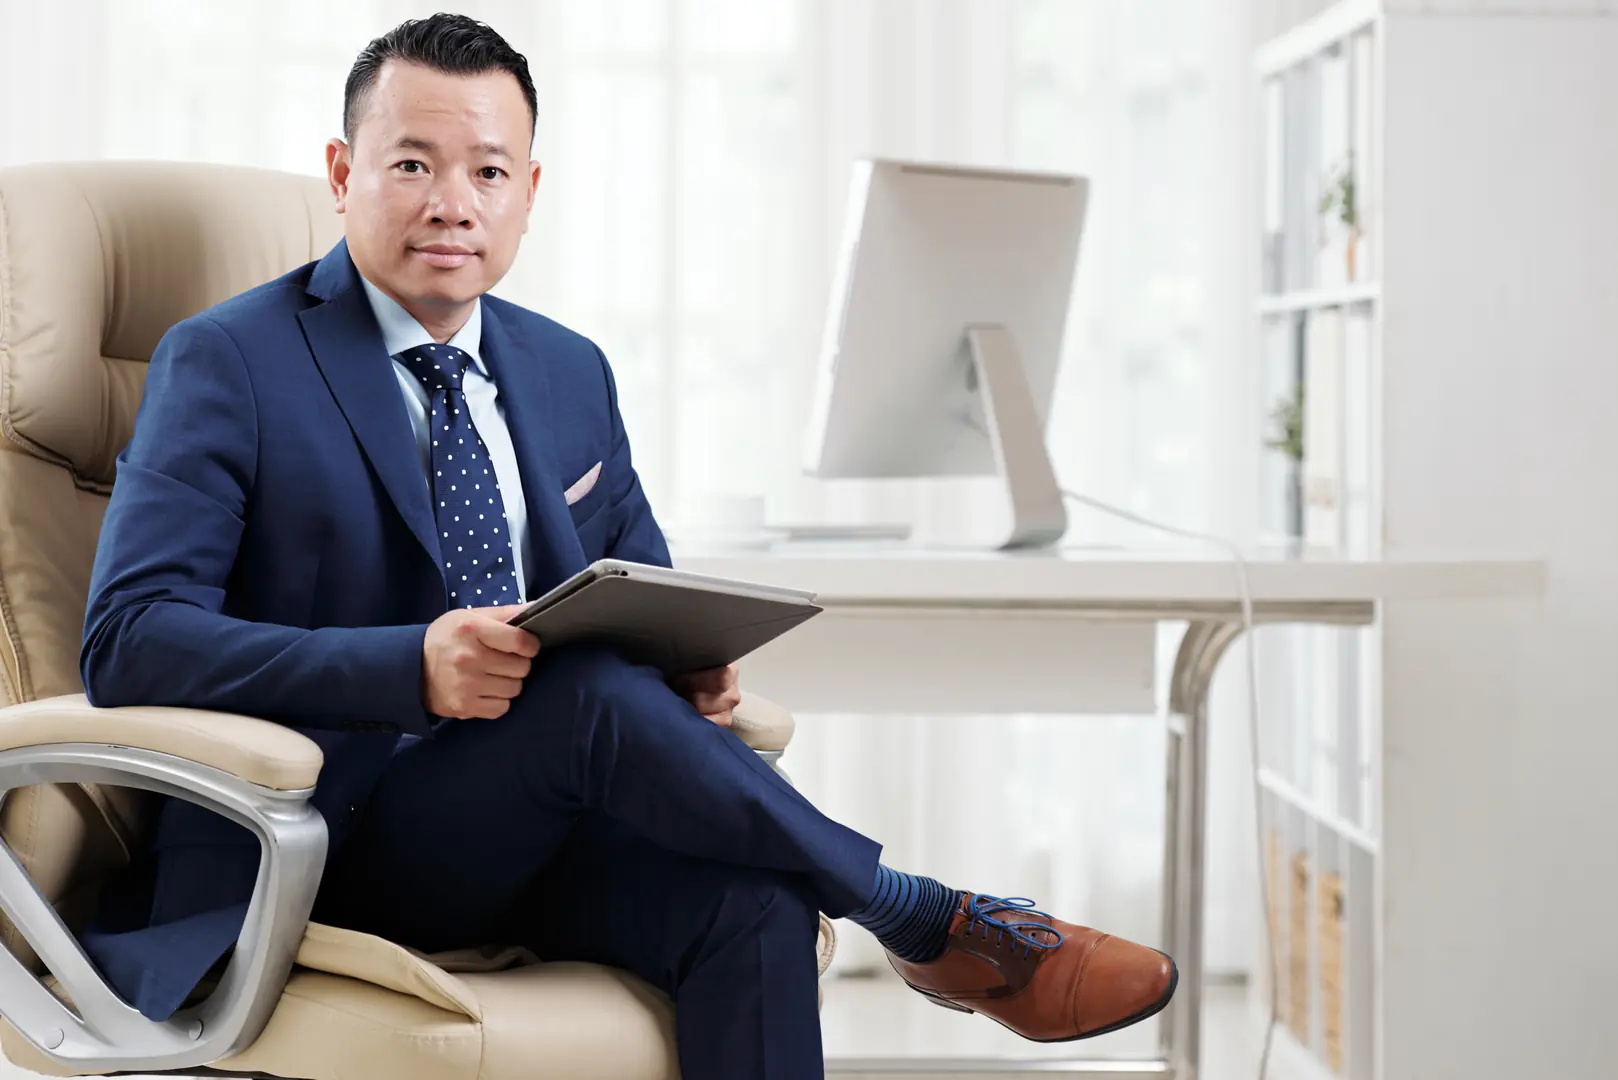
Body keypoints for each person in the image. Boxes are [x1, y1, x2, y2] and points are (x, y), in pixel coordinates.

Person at [78, 14, 1175, 1078]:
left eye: (489, 173)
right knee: (587, 694)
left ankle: (916, 920)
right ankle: (925, 916)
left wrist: (685, 666)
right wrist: (407, 665)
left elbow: (636, 586)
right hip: (325, 838)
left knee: (754, 901)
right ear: (340, 170)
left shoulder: (566, 370)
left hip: (538, 831)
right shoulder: (227, 360)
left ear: (530, 193)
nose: (452, 204)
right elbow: (130, 639)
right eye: (411, 165)